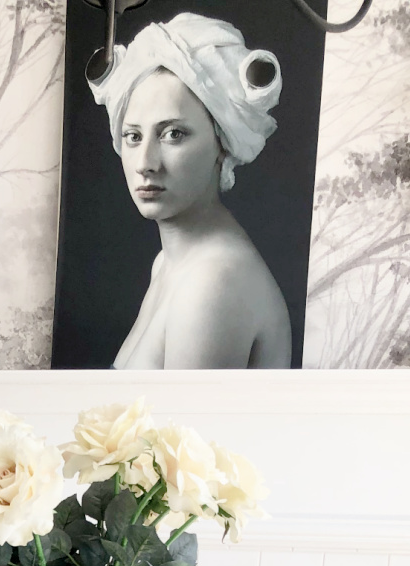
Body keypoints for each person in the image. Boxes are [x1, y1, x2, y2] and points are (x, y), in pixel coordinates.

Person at [90, 12, 291, 369]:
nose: (146, 162)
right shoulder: (169, 263)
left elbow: (182, 427)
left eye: (173, 134)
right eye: (133, 136)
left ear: (222, 142)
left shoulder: (212, 282)